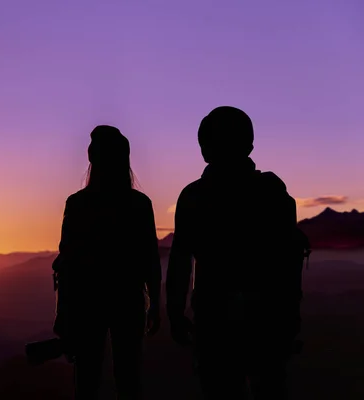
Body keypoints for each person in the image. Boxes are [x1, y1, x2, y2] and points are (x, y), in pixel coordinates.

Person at [166, 106, 307, 399]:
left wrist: (175, 313)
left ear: (205, 149)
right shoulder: (272, 191)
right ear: (249, 145)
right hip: (267, 319)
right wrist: (291, 314)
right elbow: (289, 260)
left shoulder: (193, 196)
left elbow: (181, 261)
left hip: (214, 322)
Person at [52, 125, 162, 399]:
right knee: (129, 377)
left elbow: (67, 263)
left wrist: (63, 313)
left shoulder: (77, 204)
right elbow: (150, 259)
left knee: (87, 380)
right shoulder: (139, 204)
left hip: (87, 302)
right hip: (129, 300)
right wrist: (156, 305)